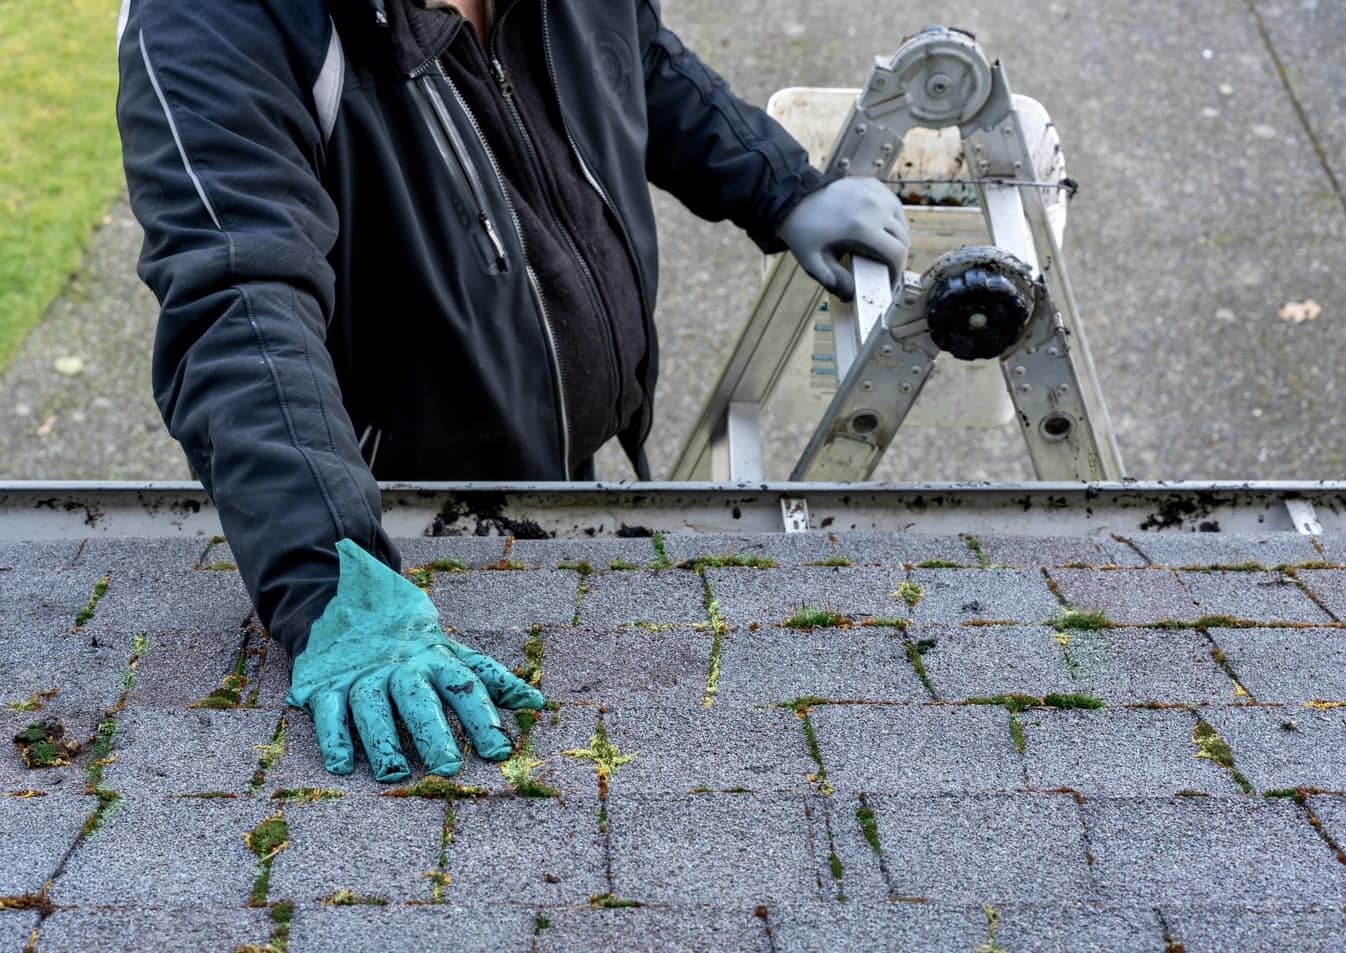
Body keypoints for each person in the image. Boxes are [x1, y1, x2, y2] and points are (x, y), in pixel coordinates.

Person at [115, 0, 910, 781]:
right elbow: (240, 304)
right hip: (395, 535)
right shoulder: (212, 20)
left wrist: (779, 186)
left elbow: (634, 58)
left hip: (562, 472)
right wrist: (333, 577)